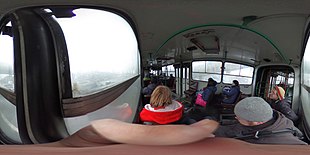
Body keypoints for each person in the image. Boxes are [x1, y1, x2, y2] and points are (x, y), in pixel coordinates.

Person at [214, 97, 307, 145]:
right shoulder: (277, 119)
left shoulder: (262, 140)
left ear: (257, 122)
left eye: (239, 117)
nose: (236, 118)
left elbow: (232, 132)